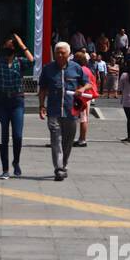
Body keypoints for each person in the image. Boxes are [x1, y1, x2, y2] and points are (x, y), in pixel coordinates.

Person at [0, 34, 34, 179]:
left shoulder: (20, 61)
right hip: (1, 101)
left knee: (18, 135)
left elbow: (32, 61)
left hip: (17, 101)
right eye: (7, 46)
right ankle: (5, 169)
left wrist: (22, 43)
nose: (9, 48)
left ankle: (16, 162)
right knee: (4, 137)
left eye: (12, 46)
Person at [38, 41, 84, 180]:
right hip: (53, 111)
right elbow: (43, 90)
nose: (59, 55)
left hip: (71, 111)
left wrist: (81, 89)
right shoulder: (48, 69)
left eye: (62, 52)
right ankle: (58, 168)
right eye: (57, 52)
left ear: (68, 54)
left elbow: (87, 83)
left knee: (68, 141)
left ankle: (63, 164)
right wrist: (41, 106)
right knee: (56, 140)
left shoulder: (76, 68)